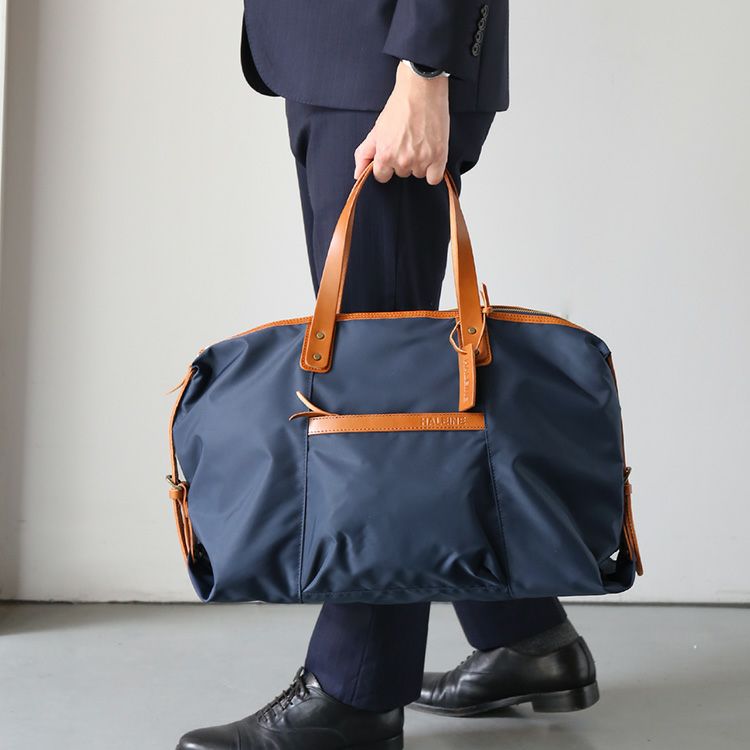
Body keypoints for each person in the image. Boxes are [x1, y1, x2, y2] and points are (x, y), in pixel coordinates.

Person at [177, 3, 597, 748]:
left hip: (387, 62)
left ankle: (357, 687)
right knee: (387, 384)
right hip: (335, 54)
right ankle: (525, 634)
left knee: (376, 405)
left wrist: (424, 66)